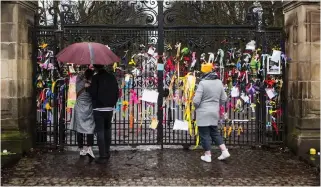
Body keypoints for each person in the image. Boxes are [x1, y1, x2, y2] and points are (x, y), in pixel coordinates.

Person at [193, 65, 230, 163]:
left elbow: (196, 100)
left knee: (204, 134)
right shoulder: (219, 82)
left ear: (204, 72)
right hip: (214, 111)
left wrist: (197, 107)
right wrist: (216, 105)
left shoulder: (202, 83)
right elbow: (224, 98)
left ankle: (207, 155)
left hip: (203, 113)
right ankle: (224, 151)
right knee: (214, 132)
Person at [86, 64, 119, 164]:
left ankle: (102, 154)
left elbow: (92, 93)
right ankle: (107, 151)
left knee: (100, 131)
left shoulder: (96, 78)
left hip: (98, 108)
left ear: (96, 68)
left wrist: (88, 87)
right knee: (107, 129)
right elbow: (117, 91)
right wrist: (112, 103)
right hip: (109, 108)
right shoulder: (112, 77)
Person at [70, 68, 95, 158]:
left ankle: (81, 149)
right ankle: (89, 147)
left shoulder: (78, 82)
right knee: (90, 128)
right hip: (89, 108)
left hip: (79, 107)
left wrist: (83, 73)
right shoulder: (92, 84)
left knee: (79, 128)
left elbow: (77, 77)